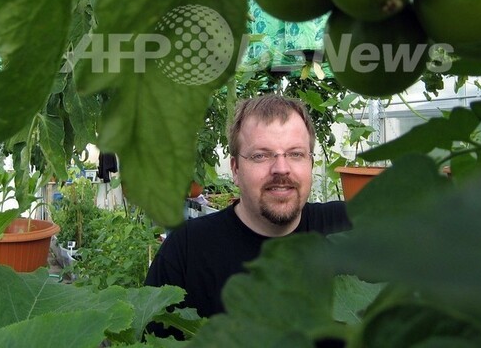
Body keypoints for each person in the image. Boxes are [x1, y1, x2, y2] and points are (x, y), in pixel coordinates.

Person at [144, 93, 351, 322]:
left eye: (295, 154)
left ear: (310, 163)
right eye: (261, 155)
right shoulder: (186, 251)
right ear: (235, 169)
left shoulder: (350, 229)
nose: (281, 169)